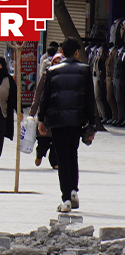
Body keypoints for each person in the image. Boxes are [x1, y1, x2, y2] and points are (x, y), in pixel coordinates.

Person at [36, 38, 97, 213]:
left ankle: (66, 199)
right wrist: (91, 124)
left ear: (62, 53)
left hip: (57, 121)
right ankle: (73, 191)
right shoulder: (85, 71)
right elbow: (89, 100)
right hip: (76, 121)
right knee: (72, 155)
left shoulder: (52, 71)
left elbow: (45, 98)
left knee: (62, 158)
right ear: (77, 52)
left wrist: (42, 119)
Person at [29, 50, 64, 169]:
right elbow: (38, 95)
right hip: (46, 112)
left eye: (60, 62)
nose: (57, 64)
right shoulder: (45, 76)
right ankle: (39, 154)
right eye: (55, 62)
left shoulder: (66, 77)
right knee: (43, 140)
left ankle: (55, 162)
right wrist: (32, 112)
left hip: (59, 114)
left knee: (57, 140)